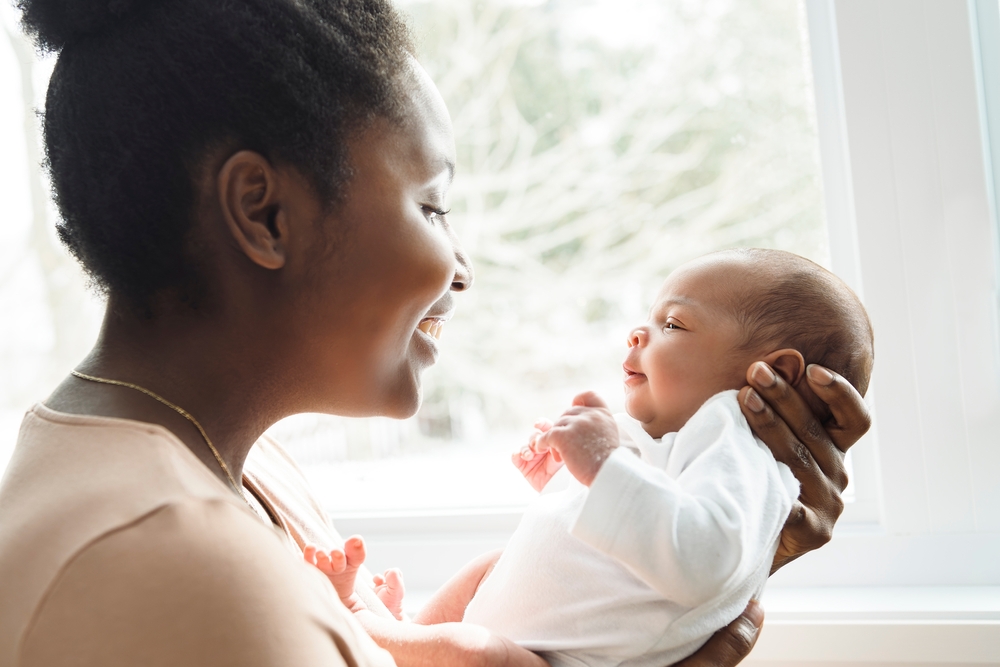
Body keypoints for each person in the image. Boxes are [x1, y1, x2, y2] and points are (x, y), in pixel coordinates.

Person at [0, 1, 870, 666]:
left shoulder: (234, 470)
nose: (461, 268)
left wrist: (691, 577)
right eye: (431, 203)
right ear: (263, 212)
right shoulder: (179, 562)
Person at [382, 249, 871, 667]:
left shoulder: (744, 448)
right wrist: (570, 479)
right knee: (490, 570)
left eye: (674, 323)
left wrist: (602, 464)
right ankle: (410, 631)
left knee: (473, 651)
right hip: (536, 636)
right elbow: (639, 524)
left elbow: (702, 559)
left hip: (556, 659)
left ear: (772, 373)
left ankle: (375, 637)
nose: (638, 333)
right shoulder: (683, 442)